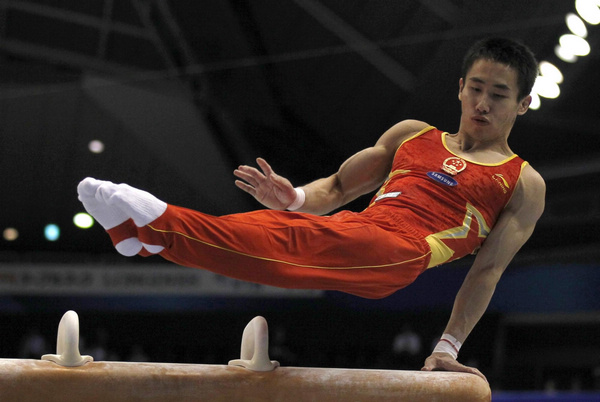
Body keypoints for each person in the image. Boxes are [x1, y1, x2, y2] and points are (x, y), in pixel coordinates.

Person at [77, 37, 545, 381]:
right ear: (461, 86)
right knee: (275, 230)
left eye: (499, 95)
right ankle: (143, 235)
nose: (482, 104)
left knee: (304, 241)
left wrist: (448, 346)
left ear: (523, 103)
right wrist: (296, 198)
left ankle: (157, 225)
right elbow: (340, 186)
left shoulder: (521, 181)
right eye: (476, 89)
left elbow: (486, 272)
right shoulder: (412, 134)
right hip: (357, 229)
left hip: (402, 254)